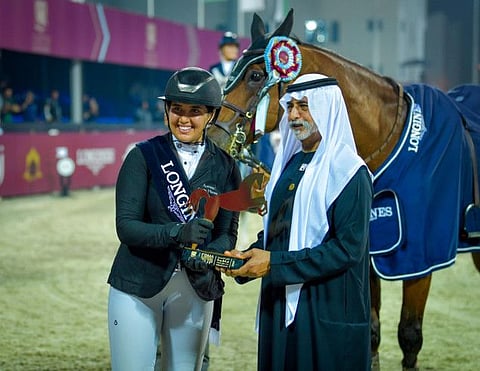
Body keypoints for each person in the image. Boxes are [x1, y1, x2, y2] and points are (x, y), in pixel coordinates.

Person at [223, 73, 373, 370]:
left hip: (326, 308)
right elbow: (279, 232)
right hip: (279, 306)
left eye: (304, 106)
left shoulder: (349, 172)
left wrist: (273, 264)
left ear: (326, 108)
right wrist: (246, 258)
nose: (293, 115)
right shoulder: (288, 165)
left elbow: (347, 250)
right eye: (290, 107)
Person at [107, 67, 242, 371]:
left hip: (195, 287)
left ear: (211, 115)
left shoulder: (226, 166)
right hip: (138, 284)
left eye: (195, 111)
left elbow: (226, 234)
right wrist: (179, 233)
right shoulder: (142, 156)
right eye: (176, 109)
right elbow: (126, 228)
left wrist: (210, 255)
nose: (184, 118)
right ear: (166, 110)